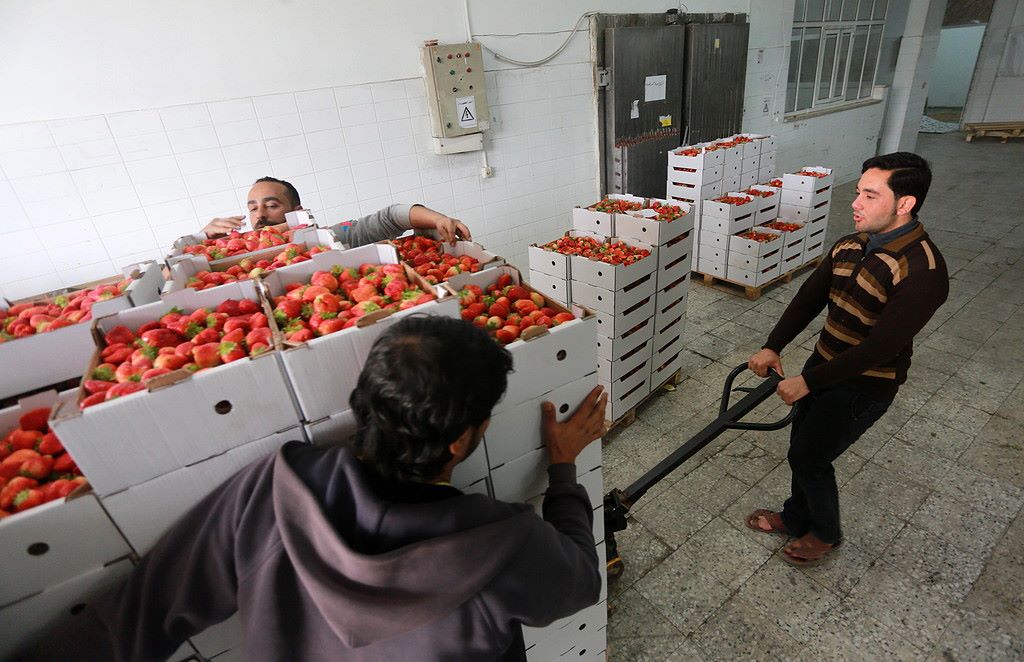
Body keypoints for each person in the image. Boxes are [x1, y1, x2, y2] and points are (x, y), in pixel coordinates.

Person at [23, 316, 607, 661]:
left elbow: (131, 621)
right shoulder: (506, 546)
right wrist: (562, 471)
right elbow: (582, 580)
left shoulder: (272, 491)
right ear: (461, 441)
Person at [745, 152, 949, 565]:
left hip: (864, 386)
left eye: (870, 195)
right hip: (823, 366)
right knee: (802, 447)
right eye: (858, 192)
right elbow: (810, 297)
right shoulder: (851, 245)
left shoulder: (922, 270)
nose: (855, 203)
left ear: (905, 203)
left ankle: (825, 533)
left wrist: (808, 382)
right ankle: (797, 517)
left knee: (810, 457)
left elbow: (879, 349)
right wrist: (773, 345)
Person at [201, 176, 471, 247]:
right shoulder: (238, 256)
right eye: (252, 208)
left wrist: (438, 219)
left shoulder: (333, 238)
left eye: (272, 205)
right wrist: (201, 240)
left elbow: (390, 218)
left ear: (297, 212)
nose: (260, 215)